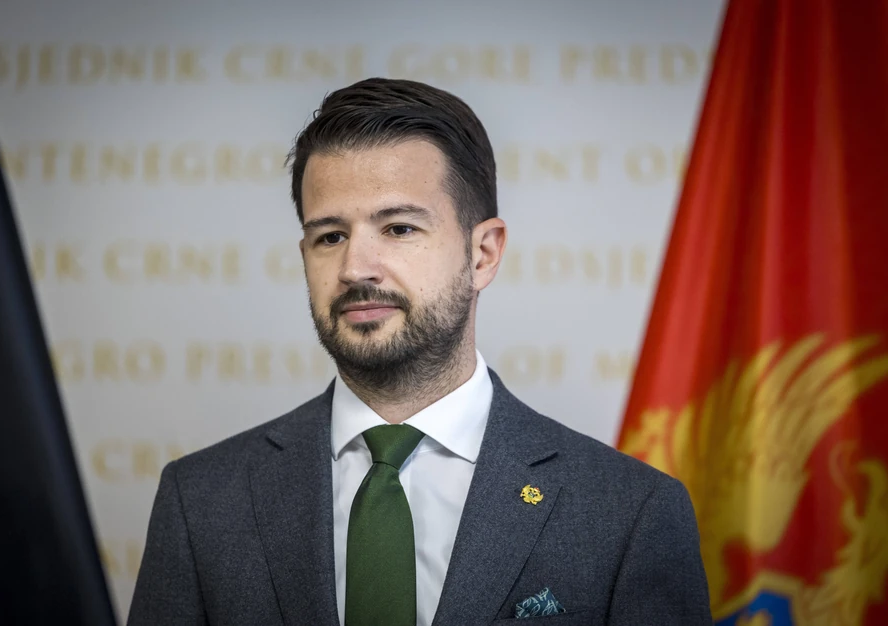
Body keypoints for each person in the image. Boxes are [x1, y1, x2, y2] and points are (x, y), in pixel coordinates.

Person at [127, 77, 712, 626]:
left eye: (399, 228)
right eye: (330, 236)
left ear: (483, 254)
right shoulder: (200, 500)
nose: (355, 268)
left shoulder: (629, 511)